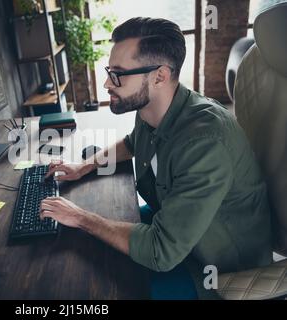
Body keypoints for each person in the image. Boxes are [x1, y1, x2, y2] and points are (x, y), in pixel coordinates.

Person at [40, 17, 272, 294]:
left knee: (99, 279)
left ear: (159, 76)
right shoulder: (156, 109)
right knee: (87, 239)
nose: (106, 83)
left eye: (118, 74)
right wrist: (84, 167)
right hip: (177, 226)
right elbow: (132, 143)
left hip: (217, 268)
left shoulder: (205, 141)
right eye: (108, 71)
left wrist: (81, 218)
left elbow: (161, 253)